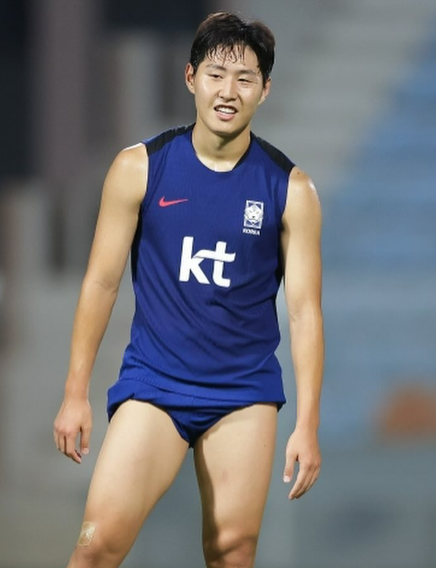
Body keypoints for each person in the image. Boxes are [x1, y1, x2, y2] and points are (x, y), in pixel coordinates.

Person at [53, 11, 324, 568]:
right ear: (190, 77)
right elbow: (101, 282)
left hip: (242, 392)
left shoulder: (291, 189)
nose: (228, 91)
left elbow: (304, 314)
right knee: (96, 546)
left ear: (265, 90)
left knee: (232, 551)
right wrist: (75, 392)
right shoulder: (139, 168)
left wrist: (307, 424)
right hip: (155, 383)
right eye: (216, 75)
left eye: (245, 78)